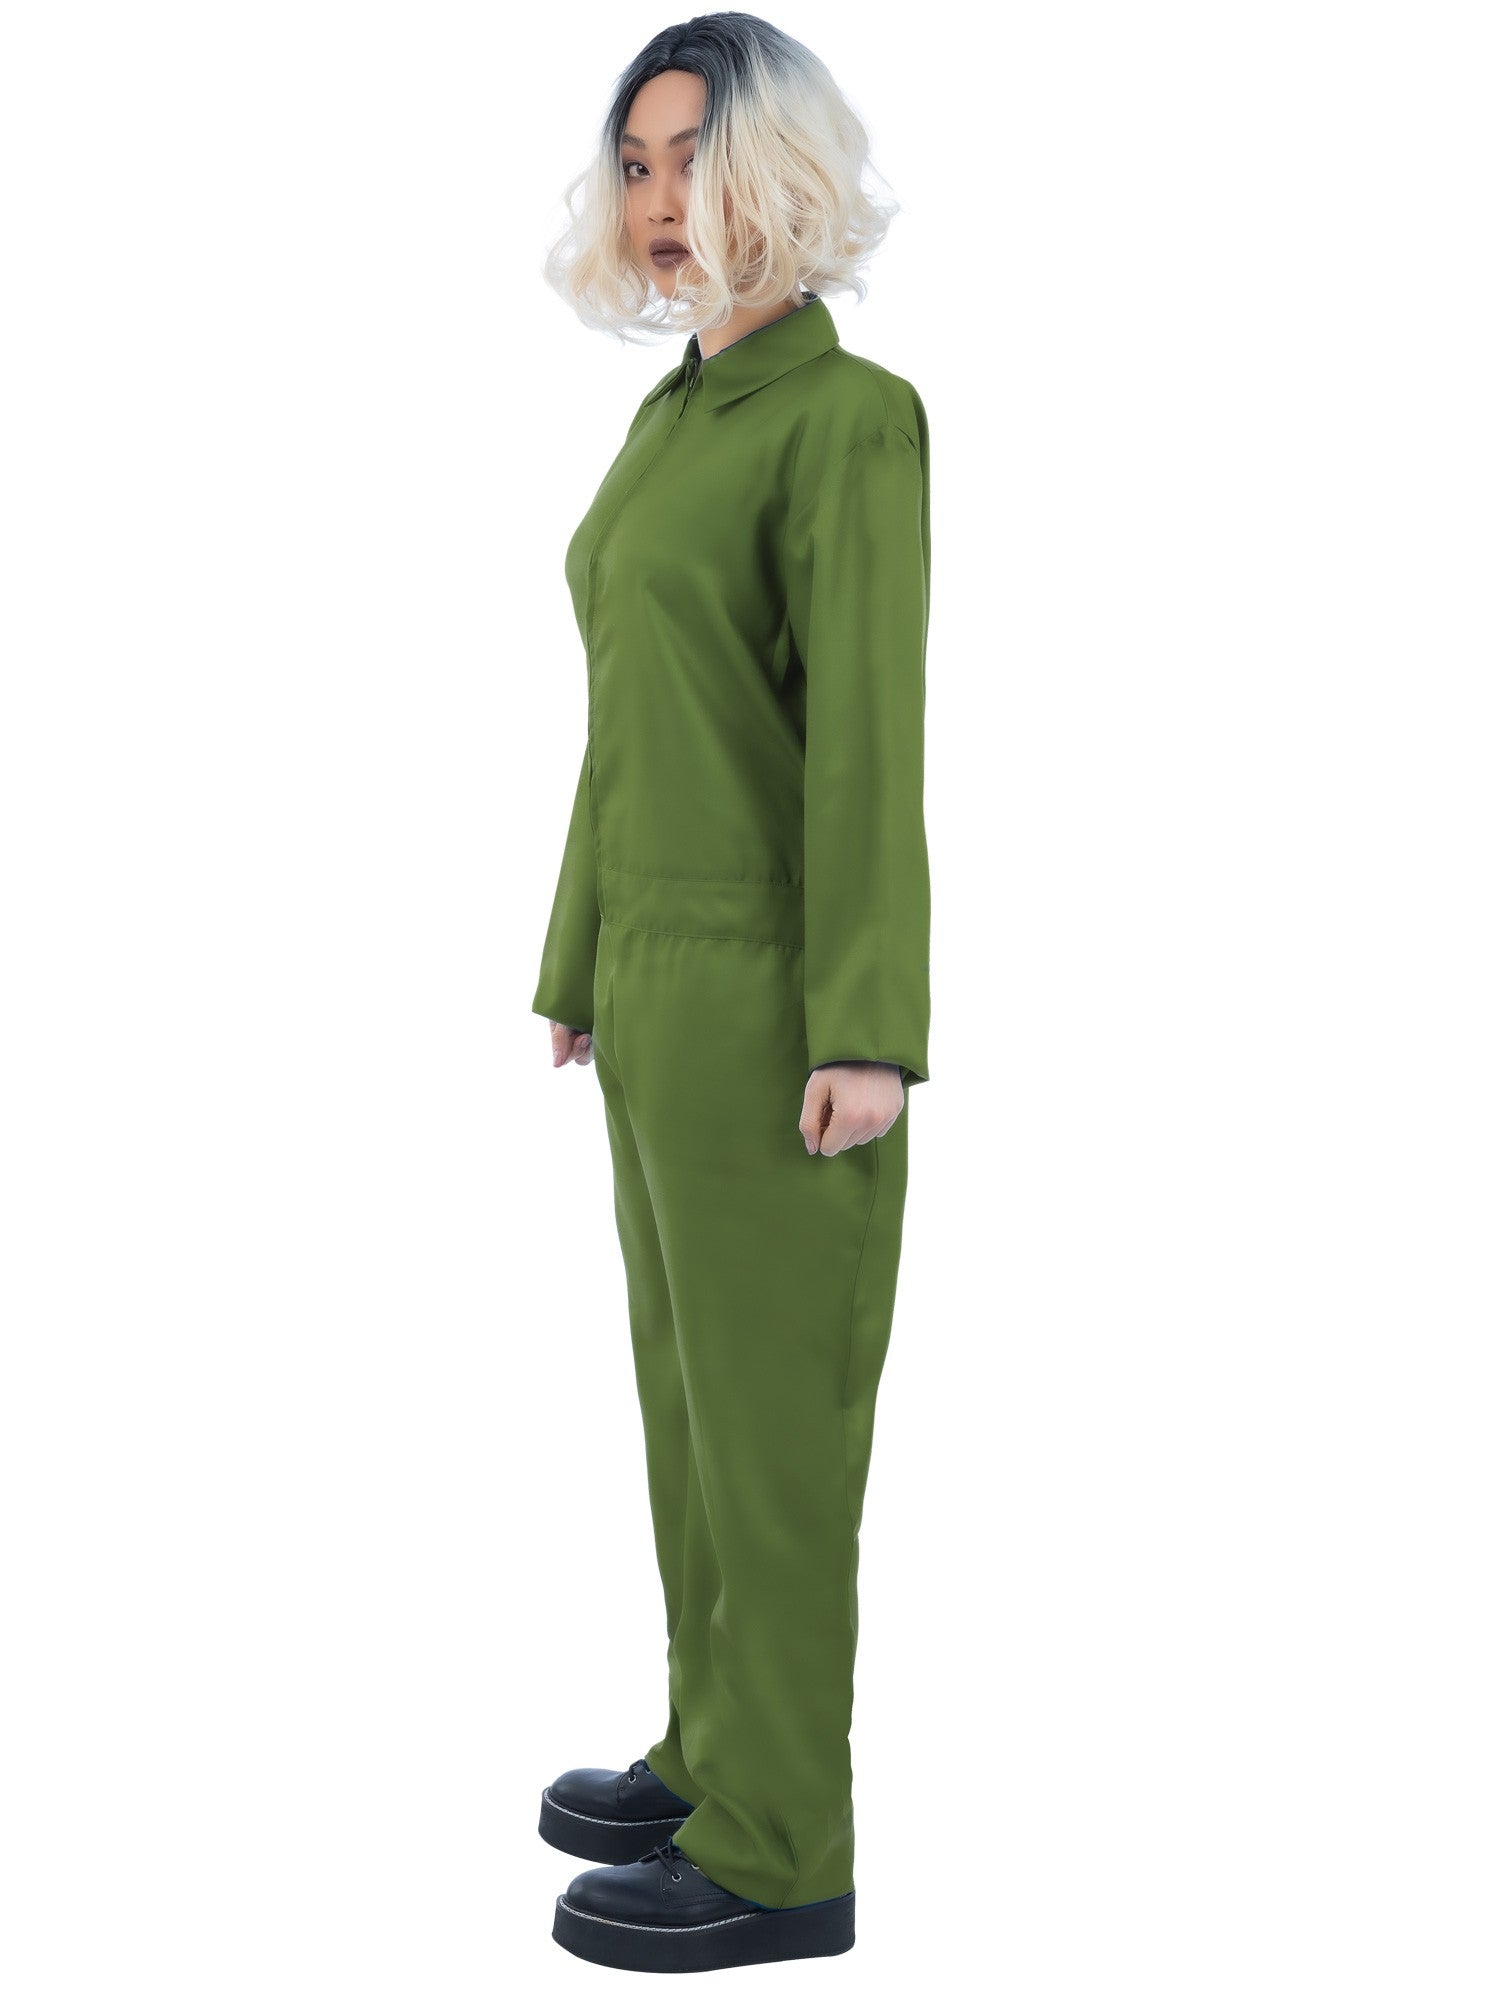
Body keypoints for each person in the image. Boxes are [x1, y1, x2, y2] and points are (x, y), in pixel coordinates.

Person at [529, 13, 932, 1974]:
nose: (660, 199)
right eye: (636, 164)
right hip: (658, 984)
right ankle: (715, 1753)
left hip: (779, 995)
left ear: (782, 167)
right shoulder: (670, 424)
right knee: (687, 1409)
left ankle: (787, 1850)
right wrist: (576, 956)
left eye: (694, 156)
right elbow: (631, 722)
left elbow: (864, 741)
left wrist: (867, 1028)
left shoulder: (846, 420)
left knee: (773, 1435)